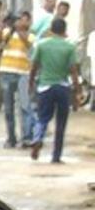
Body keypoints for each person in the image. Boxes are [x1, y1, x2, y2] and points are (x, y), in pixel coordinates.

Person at [29, 17, 83, 163]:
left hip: (45, 86)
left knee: (42, 118)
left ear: (51, 30)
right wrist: (78, 91)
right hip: (62, 87)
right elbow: (73, 72)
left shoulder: (42, 45)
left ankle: (37, 138)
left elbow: (34, 67)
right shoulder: (69, 47)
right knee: (61, 122)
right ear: (64, 31)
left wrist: (30, 84)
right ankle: (56, 156)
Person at [0, 11, 36, 148]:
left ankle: (26, 137)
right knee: (8, 108)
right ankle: (11, 137)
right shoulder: (8, 32)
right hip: (6, 71)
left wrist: (18, 29)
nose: (21, 22)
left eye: (24, 20)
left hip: (23, 73)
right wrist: (4, 25)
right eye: (19, 20)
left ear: (29, 22)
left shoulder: (31, 35)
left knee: (24, 105)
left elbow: (27, 43)